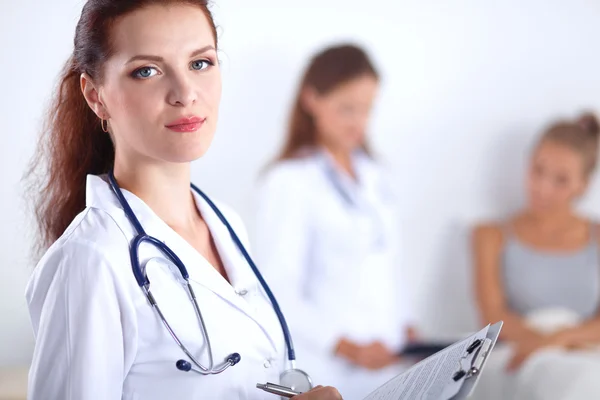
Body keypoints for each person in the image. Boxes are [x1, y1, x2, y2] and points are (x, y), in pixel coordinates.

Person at [24, 1, 342, 399]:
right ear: (96, 96)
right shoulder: (92, 259)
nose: (185, 93)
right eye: (147, 71)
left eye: (200, 63)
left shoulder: (224, 222)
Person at [252, 44, 417, 400]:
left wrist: (407, 329)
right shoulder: (289, 180)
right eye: (347, 109)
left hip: (391, 364)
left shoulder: (375, 175)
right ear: (311, 99)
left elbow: (387, 264)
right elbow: (276, 287)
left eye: (367, 109)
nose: (359, 122)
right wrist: (347, 347)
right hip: (328, 372)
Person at [471, 112, 600, 400]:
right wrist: (544, 344)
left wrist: (559, 339)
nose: (542, 188)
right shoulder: (491, 235)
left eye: (560, 180)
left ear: (583, 185)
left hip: (584, 352)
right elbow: (492, 316)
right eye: (537, 170)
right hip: (520, 354)